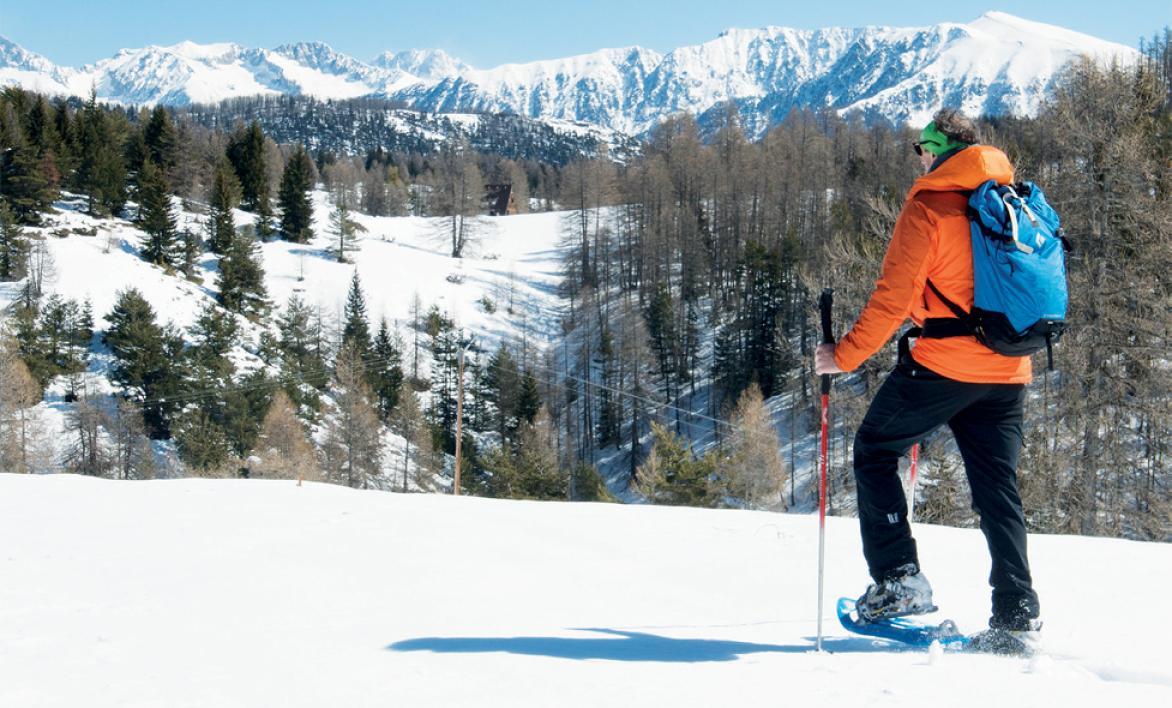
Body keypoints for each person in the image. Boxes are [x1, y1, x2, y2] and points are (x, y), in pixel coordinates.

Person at [814, 108, 1041, 653]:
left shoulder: (929, 207)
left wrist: (842, 356)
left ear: (937, 150)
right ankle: (1016, 613)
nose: (920, 158)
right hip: (1010, 367)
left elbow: (892, 299)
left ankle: (898, 582)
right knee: (997, 489)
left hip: (943, 363)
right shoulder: (1017, 201)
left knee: (873, 449)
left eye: (922, 148)